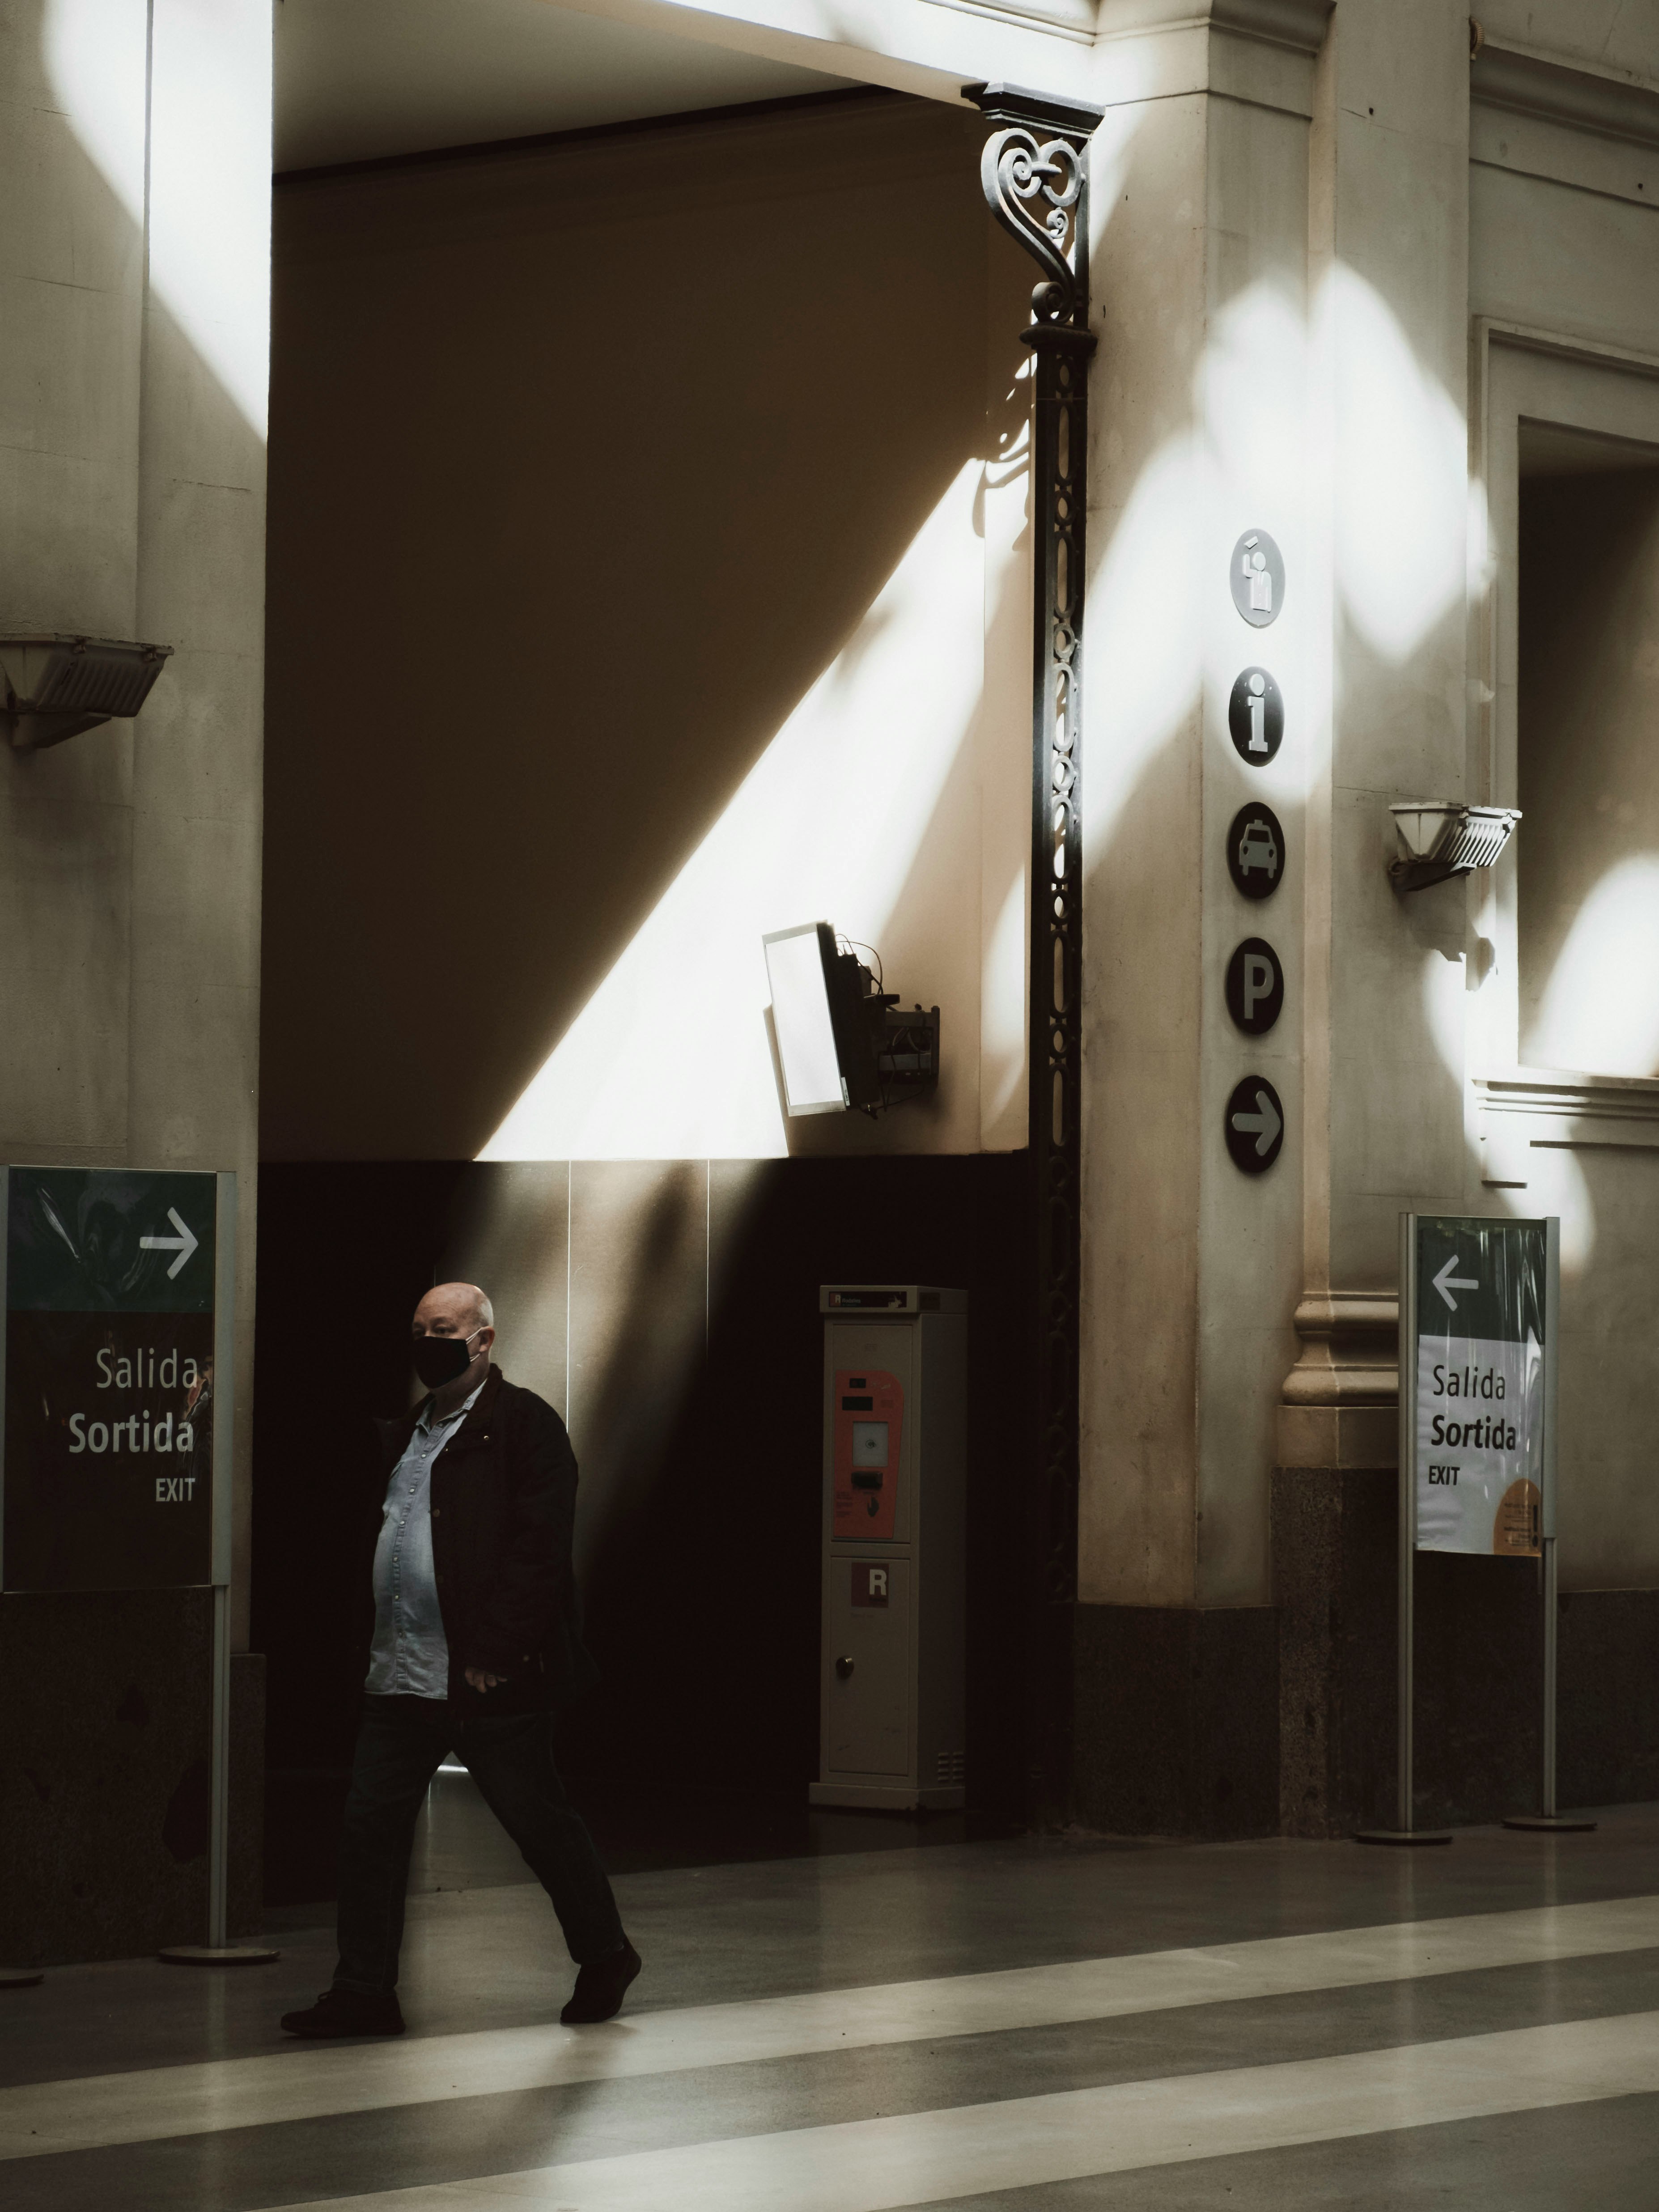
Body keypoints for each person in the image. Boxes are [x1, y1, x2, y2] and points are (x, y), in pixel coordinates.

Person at [280, 1282, 639, 2038]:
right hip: (399, 1671)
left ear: (483, 1340)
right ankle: (365, 1991)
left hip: (484, 1679)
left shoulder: (524, 1426)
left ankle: (606, 1954)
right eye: (416, 1328)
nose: (425, 1341)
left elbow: (539, 1550)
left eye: (441, 1329)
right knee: (368, 1832)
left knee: (537, 1822)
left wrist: (498, 1651)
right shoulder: (407, 1430)